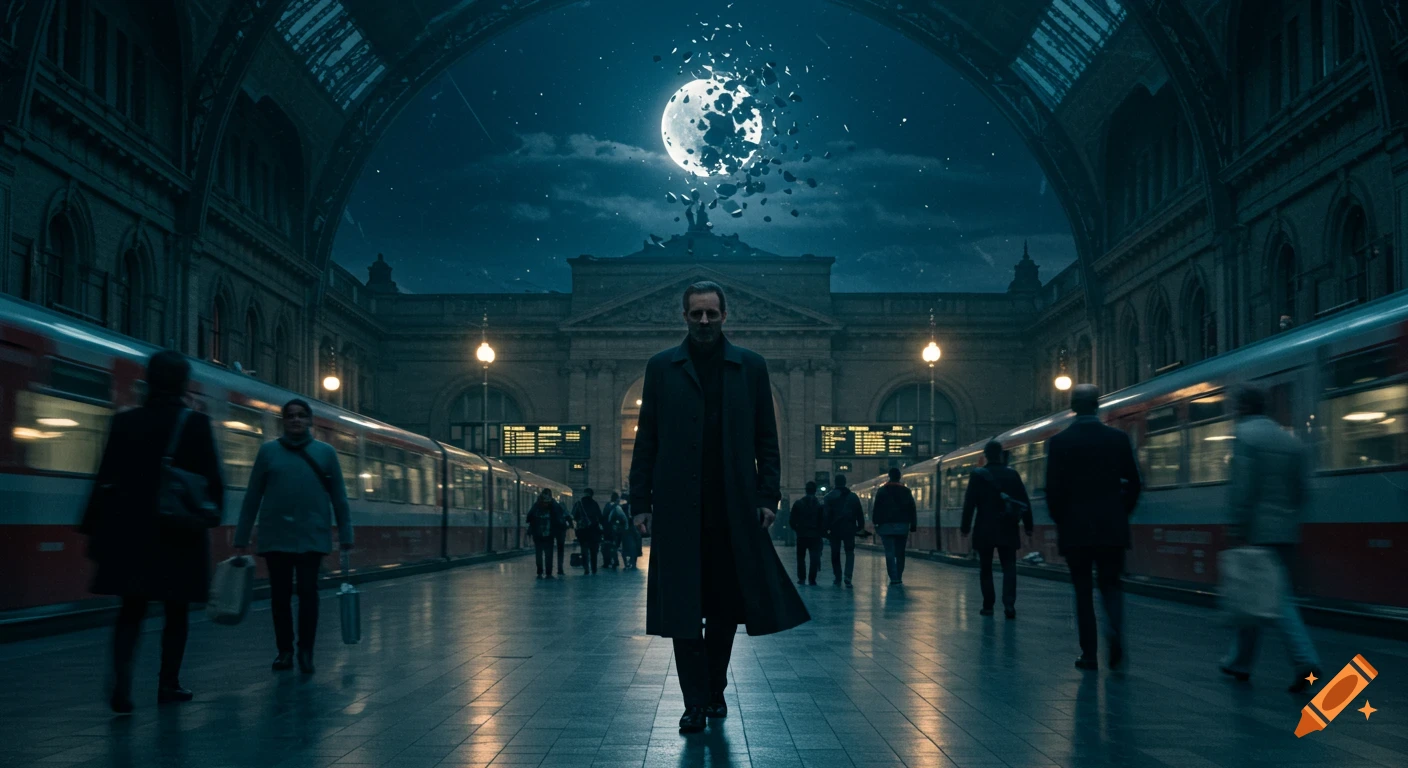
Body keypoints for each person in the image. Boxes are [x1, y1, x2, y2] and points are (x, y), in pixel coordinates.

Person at [629, 281, 809, 734]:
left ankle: (714, 688)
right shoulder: (660, 369)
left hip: (733, 510)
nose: (704, 322)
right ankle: (694, 703)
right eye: (696, 314)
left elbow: (767, 438)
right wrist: (639, 503)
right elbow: (645, 441)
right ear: (685, 317)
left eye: (711, 314)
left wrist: (769, 496)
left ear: (725, 316)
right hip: (677, 510)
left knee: (725, 610)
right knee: (682, 611)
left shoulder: (751, 367)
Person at [79, 350, 225, 713]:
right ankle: (168, 684)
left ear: (149, 380)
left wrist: (93, 528)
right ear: (182, 383)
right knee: (176, 612)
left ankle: (122, 683)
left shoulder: (126, 421)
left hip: (130, 532)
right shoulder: (195, 424)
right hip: (178, 531)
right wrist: (211, 515)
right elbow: (213, 481)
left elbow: (105, 476)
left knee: (130, 610)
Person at [235, 398, 354, 675]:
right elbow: (253, 496)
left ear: (310, 421)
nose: (296, 420)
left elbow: (339, 497)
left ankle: (306, 651)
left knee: (308, 594)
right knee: (280, 596)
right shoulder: (268, 453)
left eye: (301, 416)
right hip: (276, 535)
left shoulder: (326, 453)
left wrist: (346, 533)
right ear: (283, 421)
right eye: (290, 416)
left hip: (311, 535)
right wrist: (241, 537)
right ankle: (285, 650)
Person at [1218, 386, 1322, 692]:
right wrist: (1291, 517)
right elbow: (1304, 489)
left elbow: (1243, 487)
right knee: (1256, 594)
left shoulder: (1245, 437)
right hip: (1286, 530)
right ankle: (1240, 662)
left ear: (1243, 408)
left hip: (1257, 530)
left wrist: (1237, 524)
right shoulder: (1290, 441)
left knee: (1276, 598)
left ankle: (1305, 658)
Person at [1044, 384, 1142, 671]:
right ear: (1097, 405)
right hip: (1112, 527)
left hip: (1075, 530)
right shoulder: (1118, 439)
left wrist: (1063, 519)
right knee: (1112, 586)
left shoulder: (1060, 442)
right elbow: (1135, 483)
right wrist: (1121, 512)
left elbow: (1053, 491)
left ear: (1073, 407)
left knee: (1083, 591)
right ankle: (1115, 634)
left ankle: (1089, 654)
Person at [960, 441, 1032, 617]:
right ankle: (1009, 605)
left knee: (986, 567)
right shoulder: (1012, 475)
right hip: (1008, 526)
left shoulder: (977, 475)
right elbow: (1024, 501)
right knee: (1009, 566)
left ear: (985, 456)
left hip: (985, 527)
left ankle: (988, 605)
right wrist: (1029, 525)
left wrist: (965, 526)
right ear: (1001, 455)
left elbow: (970, 503)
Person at [871, 468, 919, 585]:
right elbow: (912, 509)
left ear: (889, 476)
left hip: (886, 526)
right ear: (899, 477)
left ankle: (893, 577)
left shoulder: (882, 491)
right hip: (902, 526)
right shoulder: (906, 491)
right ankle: (899, 575)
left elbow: (877, 508)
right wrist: (913, 524)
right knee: (900, 552)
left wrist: (876, 523)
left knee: (889, 552)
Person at [822, 475, 865, 587]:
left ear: (835, 482)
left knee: (835, 553)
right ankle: (848, 577)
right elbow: (859, 513)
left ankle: (837, 577)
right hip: (849, 528)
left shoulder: (828, 497)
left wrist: (825, 529)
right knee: (849, 552)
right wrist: (860, 526)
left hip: (834, 529)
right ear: (845, 482)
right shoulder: (853, 497)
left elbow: (825, 515)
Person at [788, 481, 826, 585]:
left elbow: (791, 521)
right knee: (814, 558)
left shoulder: (798, 503)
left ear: (806, 490)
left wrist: (797, 530)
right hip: (815, 535)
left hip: (802, 535)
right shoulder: (819, 505)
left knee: (801, 557)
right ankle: (812, 579)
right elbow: (822, 521)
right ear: (815, 490)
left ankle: (801, 578)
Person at [526, 489, 559, 578]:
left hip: (537, 533)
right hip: (549, 533)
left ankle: (539, 571)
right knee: (549, 553)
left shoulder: (537, 505)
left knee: (538, 553)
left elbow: (528, 517)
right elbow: (558, 516)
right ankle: (548, 572)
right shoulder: (553, 505)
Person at [572, 488, 604, 574]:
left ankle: (586, 568)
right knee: (594, 551)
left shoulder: (579, 504)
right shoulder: (594, 504)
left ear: (584, 493)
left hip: (583, 531)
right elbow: (600, 517)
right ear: (592, 495)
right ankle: (594, 568)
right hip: (594, 530)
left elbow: (574, 516)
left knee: (584, 549)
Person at [547, 489, 571, 576]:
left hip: (550, 529)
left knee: (549, 549)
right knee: (560, 549)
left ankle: (548, 569)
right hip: (561, 529)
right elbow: (567, 515)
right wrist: (570, 525)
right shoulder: (562, 505)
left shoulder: (546, 505)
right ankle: (560, 568)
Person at [604, 492, 629, 568]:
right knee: (619, 547)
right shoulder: (617, 507)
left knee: (611, 546)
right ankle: (623, 563)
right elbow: (624, 518)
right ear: (617, 499)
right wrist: (625, 528)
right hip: (617, 529)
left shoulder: (607, 505)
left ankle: (613, 561)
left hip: (608, 530)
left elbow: (605, 517)